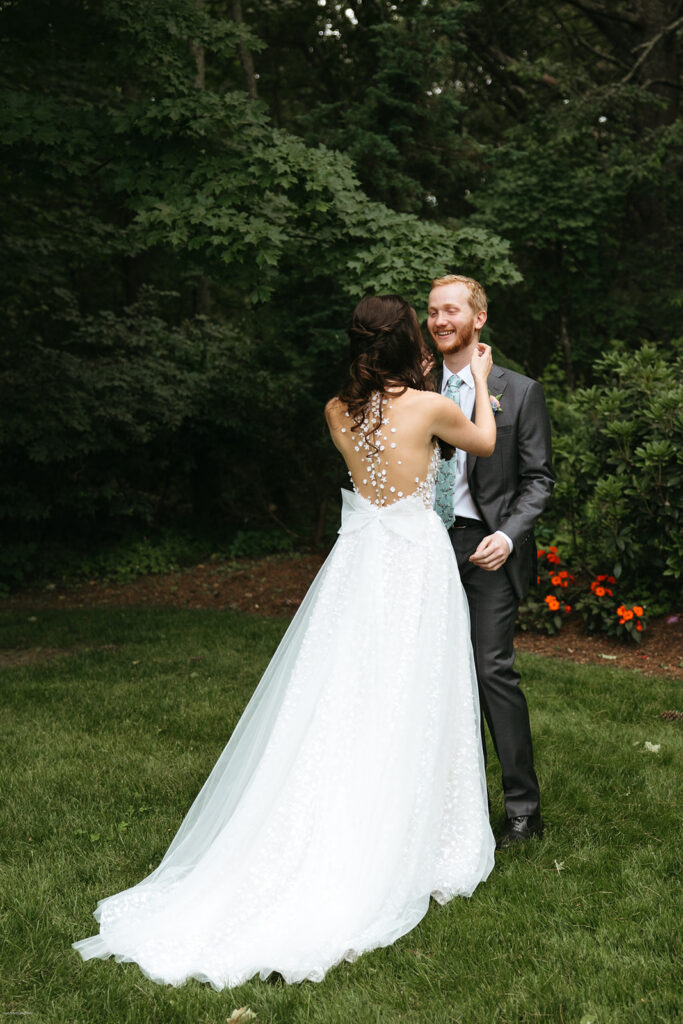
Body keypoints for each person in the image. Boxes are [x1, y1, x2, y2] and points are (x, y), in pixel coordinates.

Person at [73, 294, 497, 990]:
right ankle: (410, 835)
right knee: (414, 686)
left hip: (359, 563)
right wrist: (477, 380)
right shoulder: (428, 407)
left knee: (343, 690)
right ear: (406, 344)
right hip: (414, 563)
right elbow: (481, 441)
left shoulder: (336, 410)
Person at [426, 274, 554, 848]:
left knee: (490, 671)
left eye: (450, 310)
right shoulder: (414, 385)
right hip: (425, 543)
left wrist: (508, 534)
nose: (439, 320)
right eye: (432, 311)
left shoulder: (518, 391)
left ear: (478, 318)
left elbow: (538, 480)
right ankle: (453, 805)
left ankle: (522, 809)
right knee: (431, 673)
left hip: (487, 547)